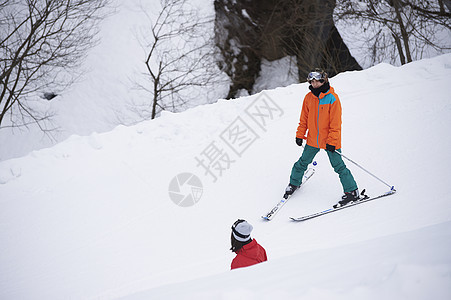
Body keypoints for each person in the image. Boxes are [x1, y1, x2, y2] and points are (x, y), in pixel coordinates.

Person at [284, 68, 360, 207]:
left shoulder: (332, 98)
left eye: (316, 81)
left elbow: (336, 124)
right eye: (311, 81)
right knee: (302, 162)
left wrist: (331, 142)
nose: (314, 84)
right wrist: (300, 135)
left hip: (330, 141)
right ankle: (294, 183)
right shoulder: (308, 98)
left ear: (323, 80)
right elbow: (304, 119)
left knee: (339, 167)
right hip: (313, 139)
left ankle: (352, 191)